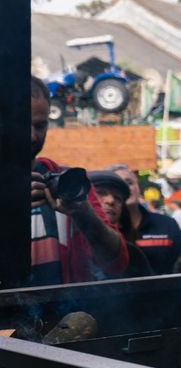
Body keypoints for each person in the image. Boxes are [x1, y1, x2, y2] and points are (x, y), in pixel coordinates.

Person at [28, 75, 129, 286]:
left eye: (40, 125)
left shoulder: (66, 182)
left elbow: (116, 261)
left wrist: (83, 212)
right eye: (21, 124)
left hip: (62, 315)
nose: (33, 136)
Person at [110, 165, 181, 276]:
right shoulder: (104, 231)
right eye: (118, 184)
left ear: (138, 187)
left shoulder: (167, 225)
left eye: (129, 183)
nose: (125, 188)